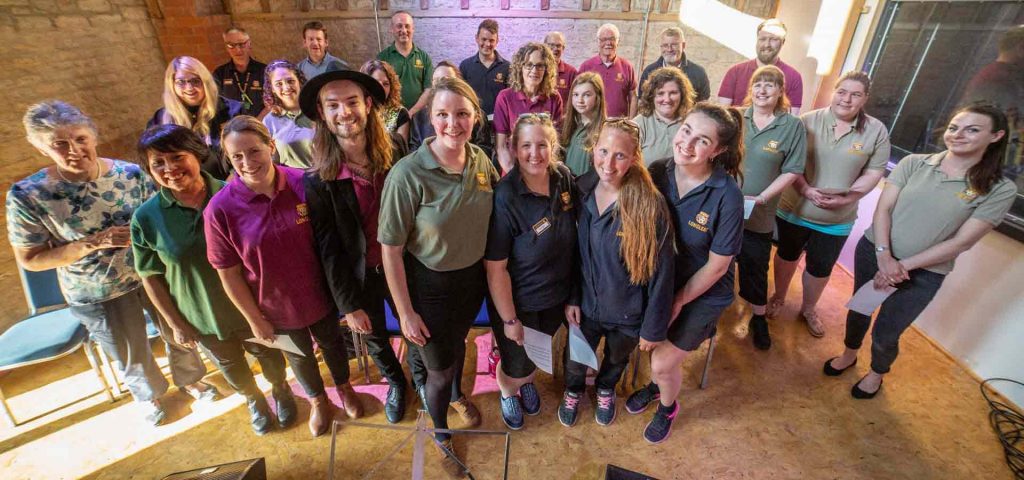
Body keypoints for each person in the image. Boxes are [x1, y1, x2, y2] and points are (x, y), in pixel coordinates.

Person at [8, 101, 214, 426]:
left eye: (80, 138)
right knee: (128, 349)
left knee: (179, 331)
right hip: (96, 288)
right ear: (42, 148)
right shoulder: (29, 195)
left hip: (155, 274)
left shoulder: (130, 174)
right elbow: (31, 259)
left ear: (92, 136)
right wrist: (92, 242)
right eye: (59, 144)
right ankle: (149, 395)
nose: (74, 150)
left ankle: (191, 379)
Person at [824, 104, 1017, 399]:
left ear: (996, 136)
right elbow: (884, 209)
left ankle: (876, 373)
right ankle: (849, 354)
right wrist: (884, 256)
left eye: (972, 130)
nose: (958, 135)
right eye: (953, 127)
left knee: (888, 330)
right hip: (874, 252)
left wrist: (900, 267)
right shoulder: (914, 163)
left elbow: (962, 242)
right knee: (860, 309)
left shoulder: (998, 188)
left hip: (924, 273)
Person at [131, 125, 296, 435]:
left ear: (197, 154)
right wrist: (176, 324)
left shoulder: (236, 193)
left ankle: (280, 389)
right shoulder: (146, 218)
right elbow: (150, 277)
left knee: (270, 356)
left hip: (254, 306)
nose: (170, 169)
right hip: (203, 314)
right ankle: (253, 399)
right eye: (158, 163)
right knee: (231, 366)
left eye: (177, 157)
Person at [205, 116, 359, 437]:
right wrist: (254, 318)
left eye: (254, 151)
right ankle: (318, 400)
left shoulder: (305, 183)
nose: (247, 162)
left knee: (333, 343)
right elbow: (228, 273)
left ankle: (344, 388)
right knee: (299, 356)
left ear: (271, 146)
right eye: (237, 156)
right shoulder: (220, 209)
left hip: (320, 293)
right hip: (276, 304)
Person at [378, 76, 498, 476]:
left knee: (457, 345)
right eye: (443, 114)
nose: (453, 123)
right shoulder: (407, 174)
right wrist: (405, 312)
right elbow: (390, 250)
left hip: (470, 282)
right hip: (429, 288)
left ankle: (456, 394)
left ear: (475, 117)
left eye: (462, 114)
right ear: (430, 118)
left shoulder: (480, 160)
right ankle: (441, 430)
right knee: (440, 369)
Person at [625, 102, 745, 444]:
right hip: (663, 281)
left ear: (717, 150)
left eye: (702, 140)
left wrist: (677, 301)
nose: (687, 144)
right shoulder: (658, 171)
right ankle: (656, 386)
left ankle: (667, 407)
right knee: (651, 349)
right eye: (686, 130)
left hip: (703, 291)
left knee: (662, 363)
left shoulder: (727, 195)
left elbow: (718, 266)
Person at [299, 69, 411, 424]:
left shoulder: (396, 148)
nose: (344, 112)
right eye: (333, 105)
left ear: (368, 104)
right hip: (361, 274)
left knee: (415, 325)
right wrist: (348, 305)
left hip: (405, 264)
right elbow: (329, 249)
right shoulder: (319, 180)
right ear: (322, 112)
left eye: (351, 102)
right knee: (375, 336)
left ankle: (422, 380)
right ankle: (397, 382)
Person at [559, 118, 674, 429]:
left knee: (616, 359)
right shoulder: (581, 190)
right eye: (603, 151)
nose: (608, 164)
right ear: (593, 148)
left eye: (620, 155)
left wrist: (652, 327)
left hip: (628, 312)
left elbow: (662, 271)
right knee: (576, 359)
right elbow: (572, 254)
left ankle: (605, 388)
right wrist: (572, 297)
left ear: (634, 158)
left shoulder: (649, 204)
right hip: (585, 305)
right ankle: (573, 390)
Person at [772, 71, 890, 337]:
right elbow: (789, 161)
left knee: (820, 268)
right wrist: (806, 190)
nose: (846, 99)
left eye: (855, 94)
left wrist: (848, 197)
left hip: (837, 220)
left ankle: (808, 309)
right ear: (834, 92)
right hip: (795, 210)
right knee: (786, 256)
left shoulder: (876, 131)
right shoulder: (806, 121)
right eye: (842, 92)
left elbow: (875, 171)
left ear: (865, 98)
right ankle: (778, 297)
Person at [484, 114, 578, 430]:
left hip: (555, 298)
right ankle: (508, 391)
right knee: (515, 364)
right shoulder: (506, 195)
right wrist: (510, 320)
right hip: (519, 303)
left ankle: (526, 381)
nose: (534, 154)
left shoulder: (563, 178)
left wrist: (573, 296)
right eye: (526, 146)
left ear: (553, 146)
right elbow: (496, 268)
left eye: (542, 145)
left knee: (534, 356)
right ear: (513, 148)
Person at [736, 66, 806, 350]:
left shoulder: (792, 126)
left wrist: (762, 197)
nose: (762, 90)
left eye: (770, 85)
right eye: (758, 84)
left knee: (755, 265)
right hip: (725, 208)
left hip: (760, 212)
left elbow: (793, 169)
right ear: (751, 89)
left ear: (780, 91)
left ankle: (758, 317)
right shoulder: (736, 118)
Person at [148, 56, 245, 180]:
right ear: (172, 84)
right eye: (181, 82)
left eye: (195, 81)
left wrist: (228, 185)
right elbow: (155, 161)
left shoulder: (232, 110)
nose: (189, 88)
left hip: (230, 183)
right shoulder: (160, 120)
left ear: (206, 82)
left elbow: (245, 154)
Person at [493, 42, 564, 174]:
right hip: (512, 171)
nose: (534, 70)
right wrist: (516, 178)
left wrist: (542, 173)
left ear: (547, 69)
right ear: (520, 67)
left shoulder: (554, 98)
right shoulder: (505, 97)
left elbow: (554, 144)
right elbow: (501, 146)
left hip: (542, 171)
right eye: (529, 64)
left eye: (540, 65)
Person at [717, 19, 804, 115]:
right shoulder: (735, 72)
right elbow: (723, 115)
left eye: (774, 39)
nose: (767, 45)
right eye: (762, 39)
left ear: (782, 42)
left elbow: (792, 118)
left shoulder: (794, 77)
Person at [633, 67, 695, 164]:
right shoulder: (638, 124)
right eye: (660, 93)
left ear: (682, 95)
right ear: (651, 96)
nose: (667, 99)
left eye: (673, 93)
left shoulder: (691, 123)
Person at [377, 11, 434, 116]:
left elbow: (429, 89)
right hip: (391, 116)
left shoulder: (424, 58)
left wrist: (411, 113)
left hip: (419, 116)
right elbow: (378, 90)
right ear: (392, 29)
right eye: (399, 26)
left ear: (413, 29)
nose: (404, 30)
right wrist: (397, 116)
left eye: (407, 26)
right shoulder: (382, 58)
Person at [261, 59, 315, 168]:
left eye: (290, 81)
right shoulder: (269, 121)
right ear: (272, 89)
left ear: (299, 82)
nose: (286, 87)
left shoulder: (317, 110)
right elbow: (273, 162)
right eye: (279, 84)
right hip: (292, 177)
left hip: (327, 175)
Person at [578, 24, 638, 118]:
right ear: (598, 42)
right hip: (591, 122)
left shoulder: (627, 67)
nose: (608, 43)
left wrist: (631, 122)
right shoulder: (586, 67)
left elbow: (633, 97)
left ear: (618, 42)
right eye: (604, 39)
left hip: (618, 124)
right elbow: (577, 96)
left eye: (612, 39)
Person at [638, 27, 710, 103]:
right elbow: (643, 102)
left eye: (674, 45)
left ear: (683, 45)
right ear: (661, 47)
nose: (669, 49)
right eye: (665, 45)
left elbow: (703, 104)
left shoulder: (698, 72)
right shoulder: (649, 71)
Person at [459, 19, 511, 119]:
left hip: (499, 122)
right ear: (476, 38)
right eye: (484, 39)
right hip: (472, 121)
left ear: (497, 41)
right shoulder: (465, 66)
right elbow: (460, 97)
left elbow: (511, 99)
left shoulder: (507, 68)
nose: (487, 44)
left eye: (491, 40)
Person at [212, 26, 268, 117]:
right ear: (226, 47)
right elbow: (215, 103)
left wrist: (257, 122)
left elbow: (272, 102)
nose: (237, 50)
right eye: (231, 45)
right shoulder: (219, 73)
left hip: (261, 122)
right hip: (232, 123)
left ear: (249, 44)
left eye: (241, 44)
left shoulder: (264, 70)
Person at [560, 72, 607, 176]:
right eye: (576, 95)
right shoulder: (566, 125)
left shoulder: (605, 131)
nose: (580, 100)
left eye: (587, 95)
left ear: (598, 97)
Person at [360, 60, 411, 145]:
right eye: (376, 83)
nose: (381, 88)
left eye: (386, 84)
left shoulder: (400, 113)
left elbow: (401, 148)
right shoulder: (358, 111)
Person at [544, 31, 577, 108]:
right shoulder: (536, 71)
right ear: (545, 46)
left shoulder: (571, 72)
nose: (555, 48)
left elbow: (576, 100)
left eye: (558, 46)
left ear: (563, 48)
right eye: (551, 45)